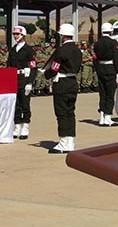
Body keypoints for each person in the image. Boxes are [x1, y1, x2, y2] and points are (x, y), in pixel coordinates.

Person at [45, 24, 82, 153]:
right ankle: (70, 141)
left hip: (62, 84)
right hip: (72, 82)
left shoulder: (61, 51)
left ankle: (63, 142)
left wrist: (45, 74)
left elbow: (54, 68)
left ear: (62, 36)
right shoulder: (77, 50)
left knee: (61, 113)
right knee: (70, 113)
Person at [6, 26, 37, 140]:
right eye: (14, 34)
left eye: (17, 34)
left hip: (25, 79)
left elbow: (33, 67)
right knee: (16, 105)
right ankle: (17, 126)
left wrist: (30, 82)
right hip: (14, 79)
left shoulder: (29, 50)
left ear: (23, 35)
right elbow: (8, 66)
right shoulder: (13, 49)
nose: (15, 36)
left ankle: (25, 126)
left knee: (25, 104)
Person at [93, 22, 118, 127]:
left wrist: (97, 69)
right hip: (110, 69)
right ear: (111, 30)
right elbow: (116, 58)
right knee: (110, 94)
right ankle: (108, 117)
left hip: (100, 69)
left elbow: (95, 58)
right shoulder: (113, 43)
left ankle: (101, 117)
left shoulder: (97, 43)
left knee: (102, 94)